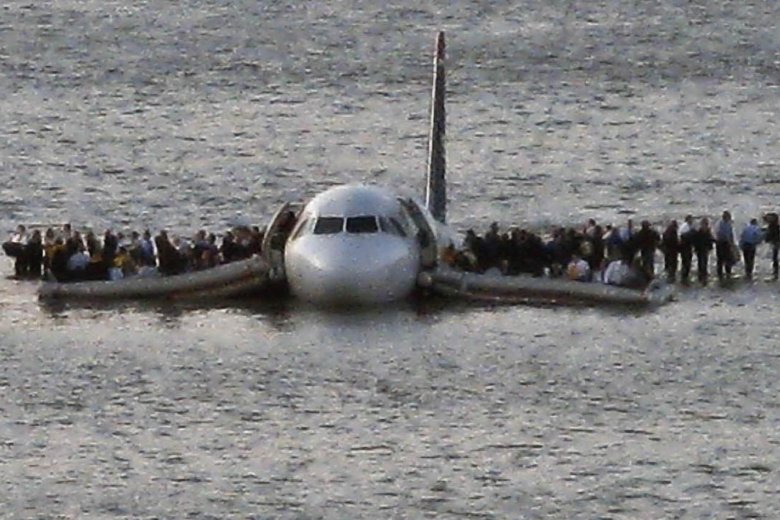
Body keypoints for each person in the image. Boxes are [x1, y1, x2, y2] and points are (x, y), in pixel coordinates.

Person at [714, 210, 735, 280]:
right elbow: (723, 234)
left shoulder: (726, 223)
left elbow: (730, 234)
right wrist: (730, 243)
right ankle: (722, 274)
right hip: (722, 243)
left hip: (724, 243)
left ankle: (726, 273)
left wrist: (732, 242)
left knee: (726, 259)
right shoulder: (721, 224)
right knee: (722, 259)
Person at [693, 217, 714, 284]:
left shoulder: (708, 231)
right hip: (700, 249)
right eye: (704, 224)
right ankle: (701, 275)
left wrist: (710, 247)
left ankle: (704, 275)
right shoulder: (698, 232)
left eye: (706, 224)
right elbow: (695, 242)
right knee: (700, 262)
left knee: (705, 262)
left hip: (705, 249)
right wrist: (695, 249)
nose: (705, 226)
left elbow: (710, 240)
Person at [678, 215, 696, 284]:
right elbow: (683, 236)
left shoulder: (689, 226)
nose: (691, 221)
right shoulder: (685, 226)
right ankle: (684, 276)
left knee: (687, 262)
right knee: (686, 262)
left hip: (688, 247)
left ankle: (685, 276)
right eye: (690, 219)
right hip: (685, 247)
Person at [764, 213, 780, 280]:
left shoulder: (772, 226)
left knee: (775, 258)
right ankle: (775, 273)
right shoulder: (774, 226)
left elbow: (770, 235)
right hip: (776, 242)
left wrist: (767, 238)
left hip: (776, 242)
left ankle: (775, 274)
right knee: (775, 258)